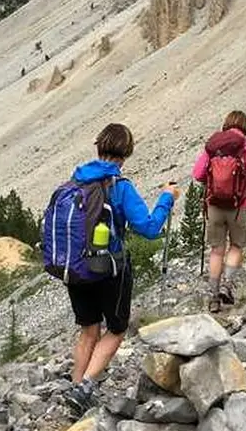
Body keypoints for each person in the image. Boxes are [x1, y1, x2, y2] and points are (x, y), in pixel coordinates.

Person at [61, 123, 178, 416]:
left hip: (75, 267)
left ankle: (75, 388)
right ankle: (85, 386)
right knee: (116, 329)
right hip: (110, 268)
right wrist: (167, 198)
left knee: (88, 330)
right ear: (125, 153)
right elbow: (150, 228)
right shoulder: (120, 187)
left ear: (98, 146)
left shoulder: (75, 182)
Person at [192, 110, 246, 313]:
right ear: (245, 128)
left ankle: (213, 298)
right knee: (237, 246)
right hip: (240, 206)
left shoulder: (213, 146)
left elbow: (197, 174)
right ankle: (227, 285)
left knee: (216, 250)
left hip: (214, 205)